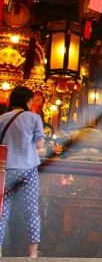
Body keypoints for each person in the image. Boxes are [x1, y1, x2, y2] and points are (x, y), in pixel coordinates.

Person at [0, 86, 45, 258]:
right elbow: (39, 144)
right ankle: (32, 254)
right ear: (27, 101)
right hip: (28, 169)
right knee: (31, 211)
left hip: (5, 170)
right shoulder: (34, 118)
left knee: (2, 212)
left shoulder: (2, 118)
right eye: (32, 101)